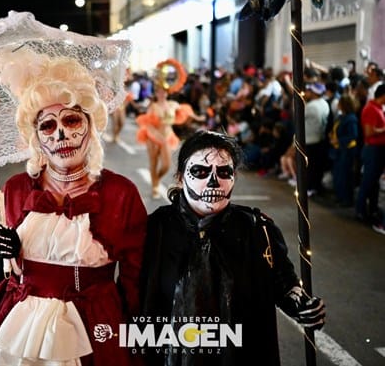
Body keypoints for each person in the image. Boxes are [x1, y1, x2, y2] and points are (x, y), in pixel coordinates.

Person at [0, 52, 147, 365]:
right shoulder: (16, 188)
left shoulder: (120, 192)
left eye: (71, 120)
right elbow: (0, 267)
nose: (60, 135)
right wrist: (3, 254)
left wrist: (134, 337)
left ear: (89, 126)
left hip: (96, 321)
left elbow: (137, 278)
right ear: (36, 138)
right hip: (20, 321)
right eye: (47, 126)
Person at [140, 130, 325, 365]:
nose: (213, 181)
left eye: (224, 172)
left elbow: (283, 283)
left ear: (234, 177)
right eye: (200, 171)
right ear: (180, 177)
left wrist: (301, 304)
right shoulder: (154, 229)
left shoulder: (258, 229)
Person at [136, 82, 204, 199]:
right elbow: (148, 124)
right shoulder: (153, 107)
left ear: (167, 93)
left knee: (166, 165)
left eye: (164, 92)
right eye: (159, 92)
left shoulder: (173, 104)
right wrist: (156, 135)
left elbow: (187, 112)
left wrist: (198, 118)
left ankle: (156, 179)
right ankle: (155, 187)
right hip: (153, 137)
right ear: (156, 93)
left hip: (167, 136)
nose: (161, 94)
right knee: (154, 163)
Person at [355, 84, 385, 227]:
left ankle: (371, 209)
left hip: (378, 150)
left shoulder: (378, 108)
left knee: (373, 183)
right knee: (367, 181)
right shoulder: (371, 109)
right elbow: (369, 132)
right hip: (373, 149)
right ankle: (360, 211)